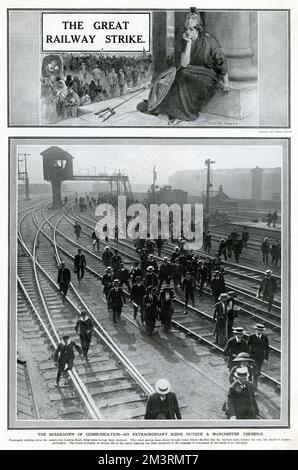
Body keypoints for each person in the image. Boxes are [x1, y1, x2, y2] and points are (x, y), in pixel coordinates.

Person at [138, 7, 229, 125]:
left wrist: (226, 81)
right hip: (190, 73)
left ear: (198, 30)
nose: (188, 32)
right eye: (186, 29)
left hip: (208, 77)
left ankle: (184, 113)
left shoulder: (209, 41)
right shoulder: (186, 41)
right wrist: (189, 43)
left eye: (191, 29)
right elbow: (184, 64)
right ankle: (174, 110)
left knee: (183, 74)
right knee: (181, 73)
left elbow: (221, 62)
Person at [247, 324, 270, 389]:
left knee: (257, 372)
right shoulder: (251, 337)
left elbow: (267, 348)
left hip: (260, 358)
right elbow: (247, 347)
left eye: (260, 330)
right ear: (255, 330)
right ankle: (252, 386)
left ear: (262, 331)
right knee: (254, 372)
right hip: (252, 358)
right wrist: (247, 357)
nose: (259, 331)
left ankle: (253, 386)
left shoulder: (265, 338)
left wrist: (266, 358)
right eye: (258, 330)